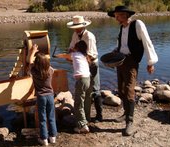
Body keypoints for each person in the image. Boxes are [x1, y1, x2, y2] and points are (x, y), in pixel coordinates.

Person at [107, 6, 158, 136]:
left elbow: (147, 42)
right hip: (121, 60)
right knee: (122, 89)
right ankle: (125, 113)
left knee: (129, 90)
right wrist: (114, 51)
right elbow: (122, 44)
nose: (116, 18)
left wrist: (150, 62)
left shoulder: (137, 24)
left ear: (125, 15)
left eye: (117, 15)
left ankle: (130, 121)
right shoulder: (122, 27)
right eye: (115, 16)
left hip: (131, 62)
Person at [67, 15, 103, 122]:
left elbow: (91, 55)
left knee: (95, 90)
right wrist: (70, 53)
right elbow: (71, 48)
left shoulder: (89, 36)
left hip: (92, 64)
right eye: (75, 27)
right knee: (86, 91)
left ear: (83, 26)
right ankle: (86, 115)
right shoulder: (75, 34)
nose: (76, 29)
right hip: (83, 64)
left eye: (78, 27)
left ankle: (99, 115)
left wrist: (76, 57)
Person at [29, 44, 57, 146]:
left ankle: (44, 139)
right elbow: (46, 64)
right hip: (50, 96)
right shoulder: (50, 70)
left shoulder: (34, 71)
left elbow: (29, 61)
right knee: (51, 117)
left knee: (42, 118)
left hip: (41, 97)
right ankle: (53, 137)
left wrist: (33, 51)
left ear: (36, 63)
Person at [70, 40, 91, 133]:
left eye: (75, 46)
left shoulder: (75, 54)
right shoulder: (84, 56)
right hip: (87, 79)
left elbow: (66, 56)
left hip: (81, 81)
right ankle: (85, 120)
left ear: (77, 48)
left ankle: (83, 125)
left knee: (78, 103)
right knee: (82, 101)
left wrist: (59, 55)